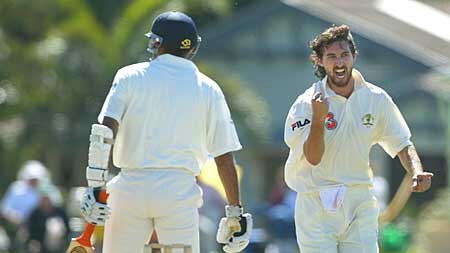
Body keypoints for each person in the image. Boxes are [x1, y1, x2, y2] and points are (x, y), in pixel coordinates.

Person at [79, 11, 252, 253]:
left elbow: (104, 132)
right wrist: (235, 213)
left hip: (130, 188)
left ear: (156, 43)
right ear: (193, 48)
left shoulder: (129, 76)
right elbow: (224, 156)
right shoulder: (209, 88)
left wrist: (96, 187)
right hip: (179, 193)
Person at [283, 25, 433, 253]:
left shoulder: (375, 98)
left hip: (359, 200)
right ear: (320, 61)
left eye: (344, 55)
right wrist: (318, 120)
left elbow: (402, 143)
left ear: (354, 56)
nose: (339, 62)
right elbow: (313, 158)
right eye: (331, 56)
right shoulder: (306, 104)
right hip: (316, 203)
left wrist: (416, 171)